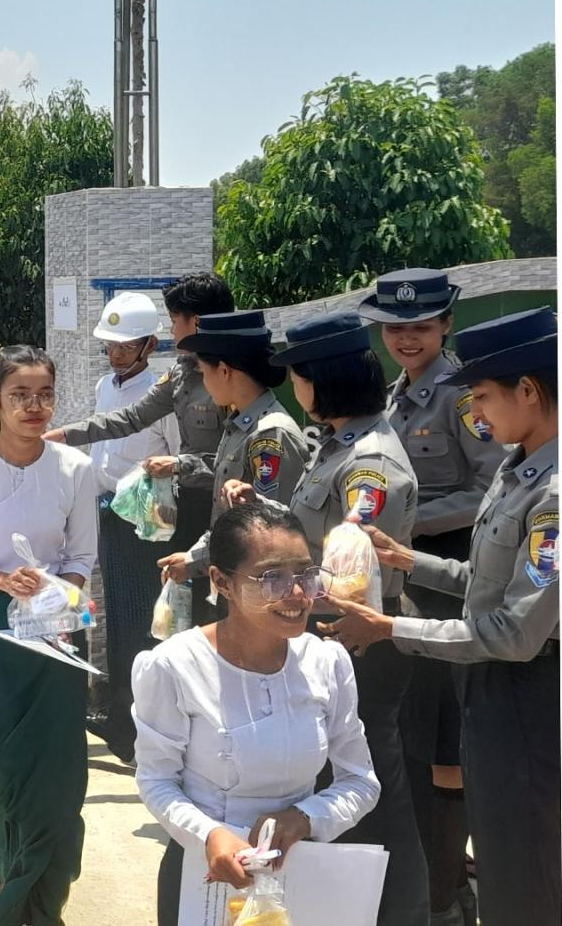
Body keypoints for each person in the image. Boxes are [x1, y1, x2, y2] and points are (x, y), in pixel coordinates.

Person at [325, 308, 559, 926]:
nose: (476, 413)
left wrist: (390, 628)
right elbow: (483, 584)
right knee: (504, 854)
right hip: (494, 690)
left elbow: (514, 632)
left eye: (481, 396)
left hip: (530, 696)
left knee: (525, 871)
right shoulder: (518, 468)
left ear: (527, 391)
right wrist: (406, 558)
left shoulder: (553, 496)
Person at [224, 312, 426, 926]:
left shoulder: (369, 462)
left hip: (357, 641)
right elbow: (318, 528)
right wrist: (265, 507)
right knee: (336, 788)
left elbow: (351, 571)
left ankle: (402, 914)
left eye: (300, 376)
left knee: (370, 791)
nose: (295, 388)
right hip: (331, 637)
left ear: (324, 380)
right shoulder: (337, 443)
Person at [133, 504, 382, 926]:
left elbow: (360, 782)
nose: (298, 593)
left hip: (297, 877)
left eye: (305, 573)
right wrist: (209, 834)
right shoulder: (175, 665)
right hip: (207, 876)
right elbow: (156, 780)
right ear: (222, 582)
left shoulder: (326, 662)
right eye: (273, 578)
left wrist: (305, 818)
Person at [356, 268, 507, 925]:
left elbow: (491, 489)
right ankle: (437, 885)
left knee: (447, 753)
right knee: (412, 739)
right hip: (402, 580)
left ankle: (446, 897)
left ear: (446, 324)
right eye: (395, 328)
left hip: (454, 577)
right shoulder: (390, 398)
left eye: (420, 325)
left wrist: (409, 523)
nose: (407, 338)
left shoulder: (463, 397)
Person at [0, 345, 98, 925]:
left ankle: (45, 891)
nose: (34, 407)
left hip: (58, 622)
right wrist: (3, 580)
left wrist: (56, 589)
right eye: (20, 395)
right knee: (2, 750)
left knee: (58, 761)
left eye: (45, 395)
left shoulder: (76, 468)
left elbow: (82, 556)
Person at [50, 273, 235, 629]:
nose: (172, 330)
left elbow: (236, 458)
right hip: (169, 509)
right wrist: (63, 435)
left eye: (175, 320)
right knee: (159, 613)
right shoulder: (181, 375)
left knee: (206, 614)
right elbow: (131, 418)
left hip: (215, 511)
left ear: (196, 323)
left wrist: (177, 465)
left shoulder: (233, 374)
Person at [154, 310, 310, 611]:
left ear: (224, 371)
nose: (204, 382)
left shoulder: (270, 433)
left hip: (266, 597)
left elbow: (271, 527)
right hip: (241, 585)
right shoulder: (240, 423)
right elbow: (229, 516)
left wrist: (195, 560)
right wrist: (193, 557)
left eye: (204, 372)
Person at [83, 292, 181, 765]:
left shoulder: (163, 394)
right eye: (111, 345)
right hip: (107, 511)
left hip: (147, 522)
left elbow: (179, 458)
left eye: (126, 345)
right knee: (117, 620)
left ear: (150, 345)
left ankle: (145, 727)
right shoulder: (105, 386)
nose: (116, 353)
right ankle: (121, 718)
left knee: (145, 620)